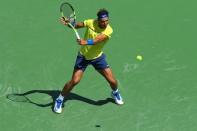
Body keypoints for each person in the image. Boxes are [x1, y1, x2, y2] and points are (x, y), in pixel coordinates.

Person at [54, 8, 124, 113]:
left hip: (98, 58)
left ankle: (115, 92)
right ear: (98, 20)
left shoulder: (109, 30)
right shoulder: (90, 22)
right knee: (74, 81)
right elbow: (76, 26)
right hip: (83, 57)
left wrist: (84, 42)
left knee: (113, 81)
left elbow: (97, 40)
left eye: (107, 20)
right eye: (102, 21)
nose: (105, 23)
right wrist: (69, 23)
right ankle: (60, 98)